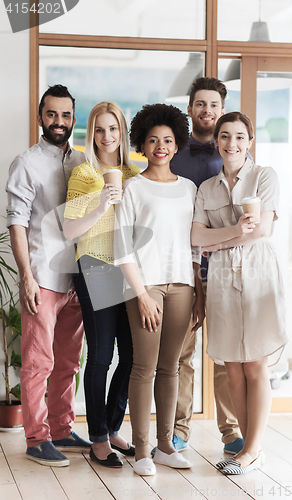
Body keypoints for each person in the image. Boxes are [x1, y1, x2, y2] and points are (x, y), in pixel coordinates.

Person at [191, 111, 287, 474]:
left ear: (249, 141)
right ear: (216, 141)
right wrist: (233, 231)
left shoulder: (265, 177)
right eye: (225, 136)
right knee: (232, 367)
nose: (232, 144)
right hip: (221, 281)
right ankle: (250, 450)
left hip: (259, 275)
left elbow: (261, 231)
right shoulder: (206, 189)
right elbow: (196, 238)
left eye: (239, 137)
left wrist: (219, 239)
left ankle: (251, 450)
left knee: (255, 364)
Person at [114, 103, 205, 476]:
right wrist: (141, 294)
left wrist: (198, 288)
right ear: (142, 144)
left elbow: (195, 244)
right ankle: (142, 452)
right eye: (153, 140)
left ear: (177, 143)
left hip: (182, 284)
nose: (161, 146)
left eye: (167, 140)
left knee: (171, 369)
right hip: (145, 286)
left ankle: (166, 445)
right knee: (143, 368)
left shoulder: (189, 188)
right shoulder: (133, 187)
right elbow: (121, 247)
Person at [6, 84, 91, 467]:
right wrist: (25, 276)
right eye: (52, 114)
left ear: (74, 118)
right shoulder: (26, 163)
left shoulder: (82, 162)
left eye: (66, 115)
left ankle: (61, 428)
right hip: (42, 275)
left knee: (69, 362)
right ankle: (37, 437)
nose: (59, 122)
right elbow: (17, 224)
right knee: (39, 361)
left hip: (77, 277)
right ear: (40, 116)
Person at [168, 77, 243, 456]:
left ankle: (232, 433)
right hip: (180, 269)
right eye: (200, 104)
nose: (207, 111)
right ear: (190, 108)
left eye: (214, 104)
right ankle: (178, 431)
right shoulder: (172, 153)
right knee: (182, 354)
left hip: (224, 270)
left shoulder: (233, 156)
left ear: (222, 108)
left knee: (224, 352)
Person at [63, 102, 140, 467]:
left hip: (127, 269)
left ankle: (112, 427)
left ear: (122, 131)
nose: (107, 137)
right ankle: (97, 439)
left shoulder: (133, 172)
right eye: (99, 129)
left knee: (132, 354)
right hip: (94, 266)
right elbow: (69, 230)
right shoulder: (85, 173)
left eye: (113, 129)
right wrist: (100, 205)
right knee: (101, 356)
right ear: (90, 133)